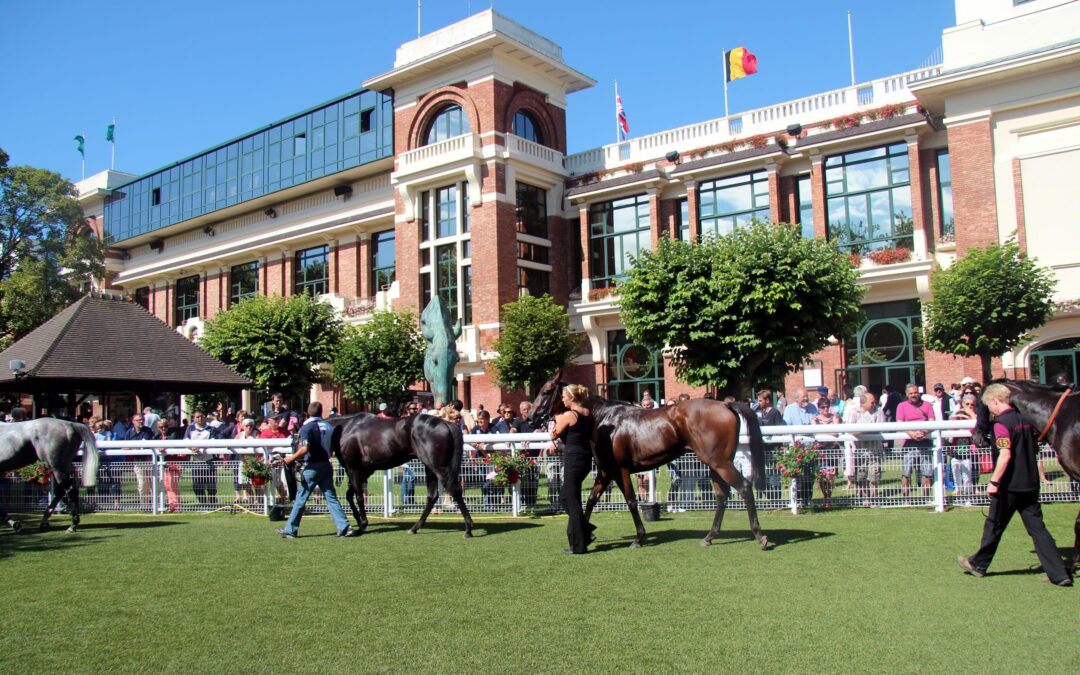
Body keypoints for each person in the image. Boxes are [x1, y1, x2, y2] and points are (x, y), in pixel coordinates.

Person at [957, 384, 1073, 586]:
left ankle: (978, 564)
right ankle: (1060, 574)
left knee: (993, 525)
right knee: (1038, 530)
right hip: (1030, 483)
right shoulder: (1026, 421)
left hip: (1009, 485)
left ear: (994, 401)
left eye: (989, 405)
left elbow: (1005, 455)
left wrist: (993, 482)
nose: (990, 410)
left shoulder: (1001, 425)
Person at [276, 402, 355, 539]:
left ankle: (290, 530)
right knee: (331, 498)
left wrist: (291, 458)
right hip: (326, 464)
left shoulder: (307, 427)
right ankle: (345, 527)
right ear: (321, 412)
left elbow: (305, 448)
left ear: (308, 411)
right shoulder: (328, 426)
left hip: (313, 466)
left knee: (301, 498)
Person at [551, 383, 595, 554]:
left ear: (571, 398)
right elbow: (593, 436)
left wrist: (556, 422)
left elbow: (554, 434)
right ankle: (583, 533)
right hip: (585, 459)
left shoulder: (569, 415)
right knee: (567, 497)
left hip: (573, 459)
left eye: (563, 396)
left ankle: (580, 544)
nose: (562, 399)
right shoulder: (588, 414)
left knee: (570, 500)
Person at [895, 383, 937, 499]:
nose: (913, 395)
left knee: (927, 473)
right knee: (906, 473)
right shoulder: (901, 406)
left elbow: (932, 421)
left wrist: (923, 432)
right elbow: (900, 423)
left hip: (925, 442)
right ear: (907, 394)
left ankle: (926, 498)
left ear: (919, 393)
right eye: (911, 393)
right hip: (909, 443)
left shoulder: (927, 405)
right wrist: (912, 433)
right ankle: (906, 498)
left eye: (915, 392)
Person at [185, 410, 219, 506]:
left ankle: (212, 502)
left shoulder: (210, 429)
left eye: (201, 416)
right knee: (197, 484)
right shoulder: (190, 428)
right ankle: (203, 503)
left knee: (211, 483)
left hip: (209, 460)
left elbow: (213, 441)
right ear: (193, 418)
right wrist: (192, 447)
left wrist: (200, 447)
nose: (200, 418)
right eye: (197, 417)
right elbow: (185, 440)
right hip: (196, 460)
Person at [125, 412, 156, 506]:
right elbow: (125, 446)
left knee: (153, 483)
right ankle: (144, 505)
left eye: (142, 420)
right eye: (138, 420)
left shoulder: (148, 431)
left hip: (149, 460)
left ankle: (156, 504)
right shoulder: (129, 432)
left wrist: (134, 447)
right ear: (133, 421)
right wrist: (133, 448)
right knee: (142, 484)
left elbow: (144, 445)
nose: (141, 422)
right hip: (138, 462)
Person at [156, 418, 185, 512]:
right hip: (164, 464)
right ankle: (173, 505)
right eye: (161, 427)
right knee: (167, 485)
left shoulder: (173, 435)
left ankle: (175, 506)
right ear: (158, 427)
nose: (164, 428)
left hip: (175, 463)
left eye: (165, 426)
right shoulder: (156, 437)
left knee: (172, 484)